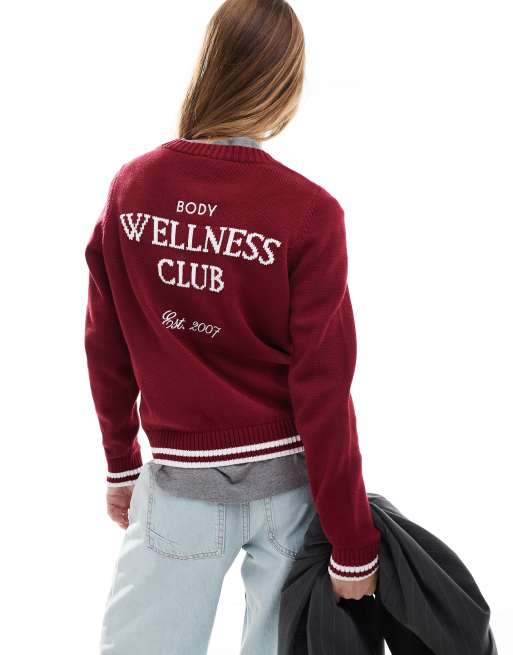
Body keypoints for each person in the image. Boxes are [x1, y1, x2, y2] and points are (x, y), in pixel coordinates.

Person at [84, 1, 381, 653]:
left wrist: (120, 464)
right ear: (284, 83)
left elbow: (106, 345)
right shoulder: (309, 213)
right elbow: (324, 392)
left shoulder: (132, 189)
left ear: (209, 68)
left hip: (179, 487)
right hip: (289, 493)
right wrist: (353, 540)